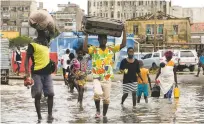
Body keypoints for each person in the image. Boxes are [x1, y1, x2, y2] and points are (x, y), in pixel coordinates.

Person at [83, 28, 127, 118]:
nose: (103, 40)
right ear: (98, 40)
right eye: (101, 39)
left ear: (106, 40)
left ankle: (104, 115)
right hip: (97, 78)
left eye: (104, 39)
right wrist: (86, 35)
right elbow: (84, 49)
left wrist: (124, 31)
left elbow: (123, 44)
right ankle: (98, 111)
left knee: (106, 99)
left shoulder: (111, 49)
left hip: (107, 78)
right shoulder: (94, 49)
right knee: (97, 95)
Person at [24, 30, 54, 121]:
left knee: (51, 94)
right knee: (38, 95)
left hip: (47, 73)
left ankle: (50, 115)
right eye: (44, 32)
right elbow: (27, 58)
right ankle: (39, 117)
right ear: (39, 33)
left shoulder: (46, 43)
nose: (46, 33)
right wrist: (27, 73)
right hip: (36, 73)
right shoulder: (32, 44)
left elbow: (52, 31)